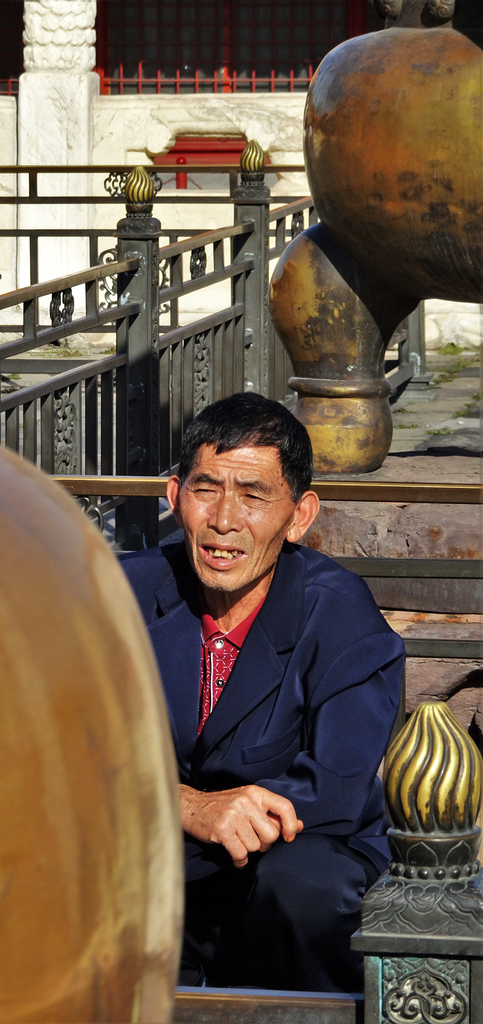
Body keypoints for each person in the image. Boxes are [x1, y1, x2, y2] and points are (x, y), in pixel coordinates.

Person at [119, 392, 404, 993]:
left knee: (301, 885)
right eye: (206, 490)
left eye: (253, 495)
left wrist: (214, 820)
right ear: (175, 498)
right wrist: (184, 806)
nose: (225, 520)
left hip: (292, 859)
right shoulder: (121, 592)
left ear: (299, 516)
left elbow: (334, 789)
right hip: (156, 845)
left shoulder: (337, 613)